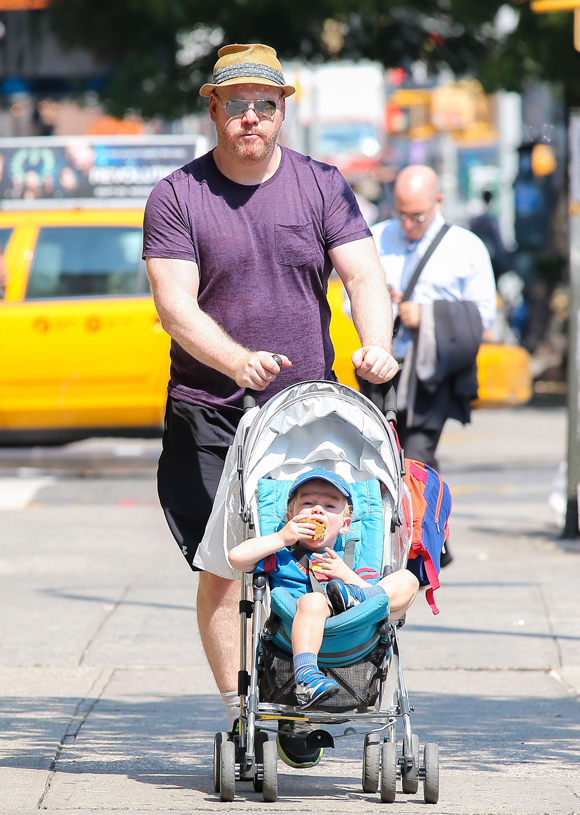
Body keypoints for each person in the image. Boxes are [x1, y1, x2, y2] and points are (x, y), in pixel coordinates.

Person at [142, 43, 398, 763]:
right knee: (223, 566)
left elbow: (364, 277)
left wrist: (374, 342)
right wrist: (236, 360)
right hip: (210, 411)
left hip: (302, 415)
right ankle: (238, 714)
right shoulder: (177, 195)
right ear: (214, 108)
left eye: (265, 104)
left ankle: (297, 692)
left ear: (282, 109)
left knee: (314, 559)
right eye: (237, 104)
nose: (251, 117)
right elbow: (174, 304)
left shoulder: (321, 185)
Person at [229, 469, 419, 712]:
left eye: (329, 505)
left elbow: (385, 599)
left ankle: (353, 596)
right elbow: (236, 558)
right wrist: (281, 537)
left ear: (345, 525)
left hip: (356, 628)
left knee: (407, 579)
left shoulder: (354, 557)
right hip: (295, 630)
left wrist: (346, 576)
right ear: (291, 517)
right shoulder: (282, 556)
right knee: (314, 601)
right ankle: (307, 677)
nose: (317, 509)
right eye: (308, 503)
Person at [469, 190, 511, 280]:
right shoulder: (490, 219)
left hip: (481, 254)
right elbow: (497, 238)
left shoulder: (477, 218)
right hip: (490, 256)